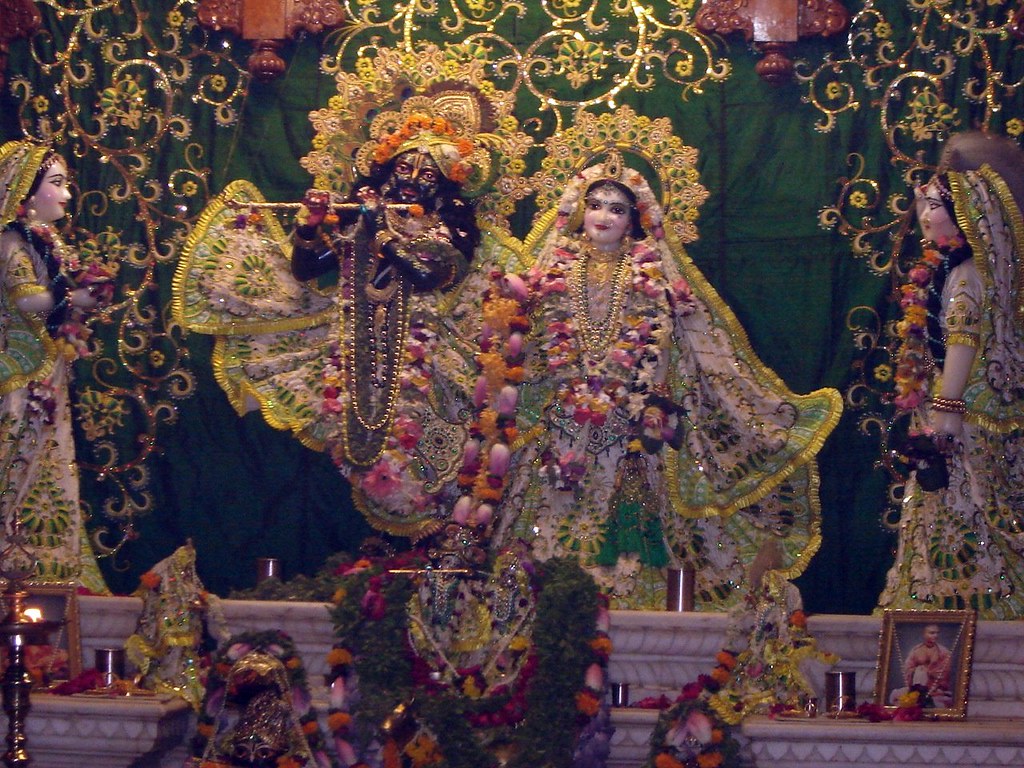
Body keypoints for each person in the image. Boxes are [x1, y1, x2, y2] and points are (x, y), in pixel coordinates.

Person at [489, 150, 843, 609]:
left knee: (631, 533)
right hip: (563, 422)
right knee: (548, 521)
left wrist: (643, 399)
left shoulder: (650, 272)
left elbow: (670, 344)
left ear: (634, 220)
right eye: (594, 205)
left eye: (617, 209)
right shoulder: (554, 268)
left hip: (629, 423)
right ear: (578, 209)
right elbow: (532, 342)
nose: (603, 217)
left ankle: (631, 605)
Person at [878, 131, 1024, 619]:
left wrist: (945, 414)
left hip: (962, 418)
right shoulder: (951, 268)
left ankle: (975, 609)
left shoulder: (965, 275)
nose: (924, 215)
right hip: (955, 409)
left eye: (936, 205)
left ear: (964, 211)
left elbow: (963, 342)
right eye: (921, 204)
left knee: (968, 511)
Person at [0, 140, 110, 592]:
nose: (66, 195)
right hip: (17, 373)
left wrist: (85, 298)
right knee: (14, 456)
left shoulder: (47, 239)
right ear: (26, 191)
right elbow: (26, 299)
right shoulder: (11, 241)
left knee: (49, 457)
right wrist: (72, 298)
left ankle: (48, 562)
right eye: (57, 184)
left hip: (46, 368)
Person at [902, 623, 952, 706]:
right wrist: (917, 670)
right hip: (916, 687)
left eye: (937, 633)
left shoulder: (943, 652)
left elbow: (945, 672)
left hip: (936, 689)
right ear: (924, 634)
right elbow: (908, 668)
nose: (935, 636)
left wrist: (928, 672)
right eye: (932, 633)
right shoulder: (916, 650)